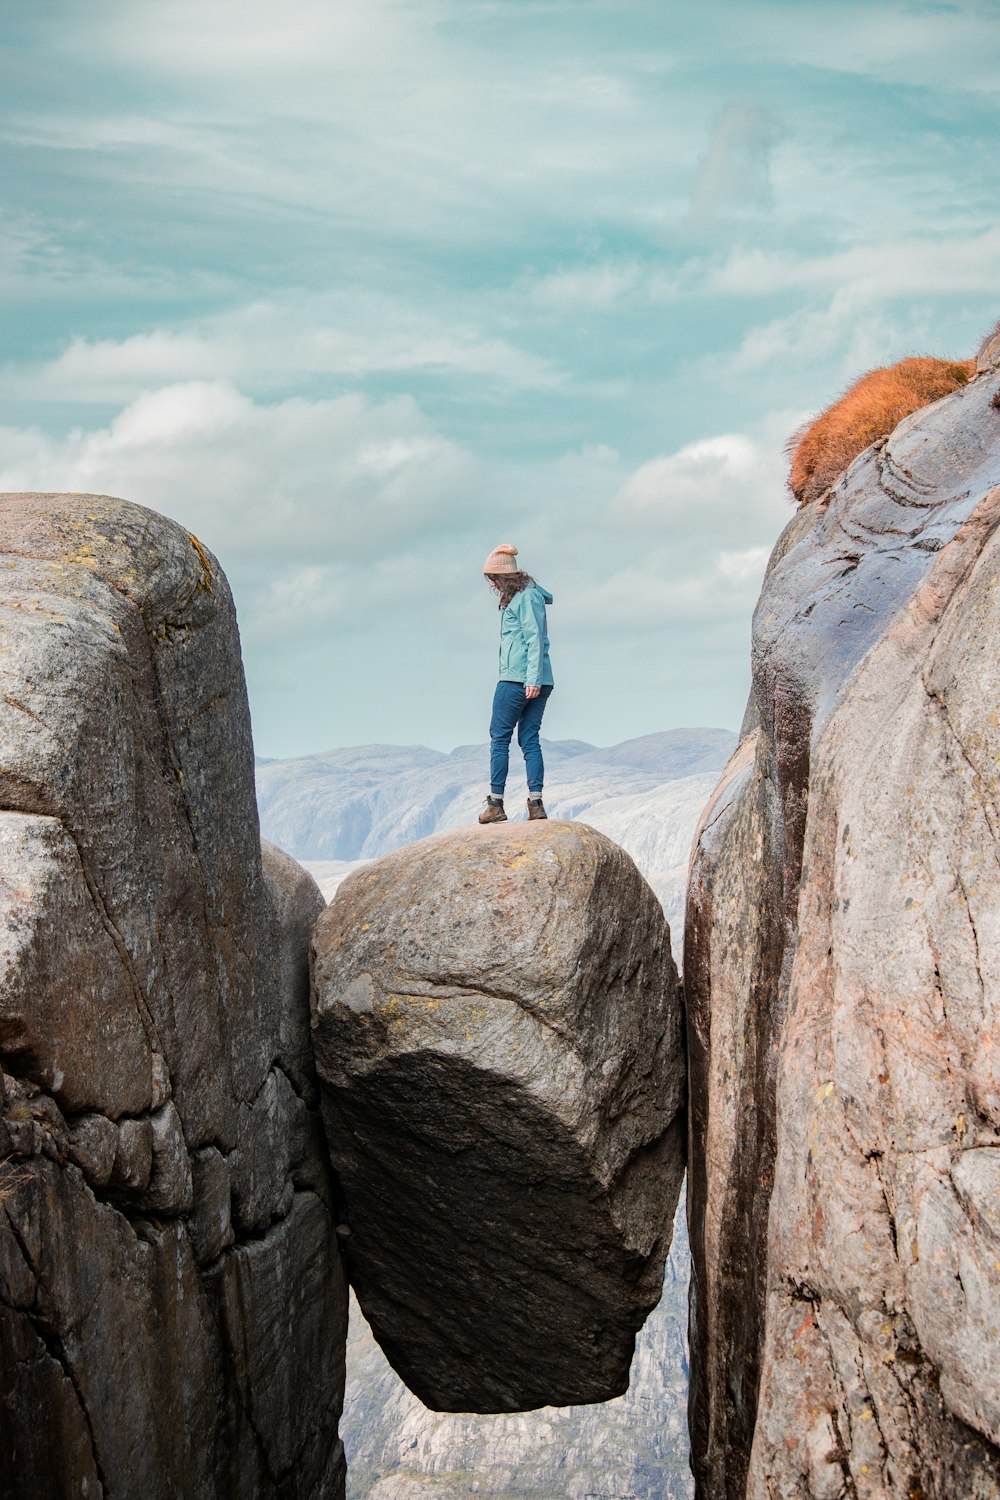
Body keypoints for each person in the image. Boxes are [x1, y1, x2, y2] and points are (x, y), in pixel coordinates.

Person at [478, 543, 554, 825]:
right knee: (528, 739)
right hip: (535, 679)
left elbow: (533, 638)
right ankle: (535, 804)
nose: (491, 583)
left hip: (518, 679)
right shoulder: (525, 595)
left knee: (500, 737)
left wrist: (531, 679)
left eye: (492, 578)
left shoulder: (526, 598)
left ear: (503, 577)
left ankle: (496, 804)